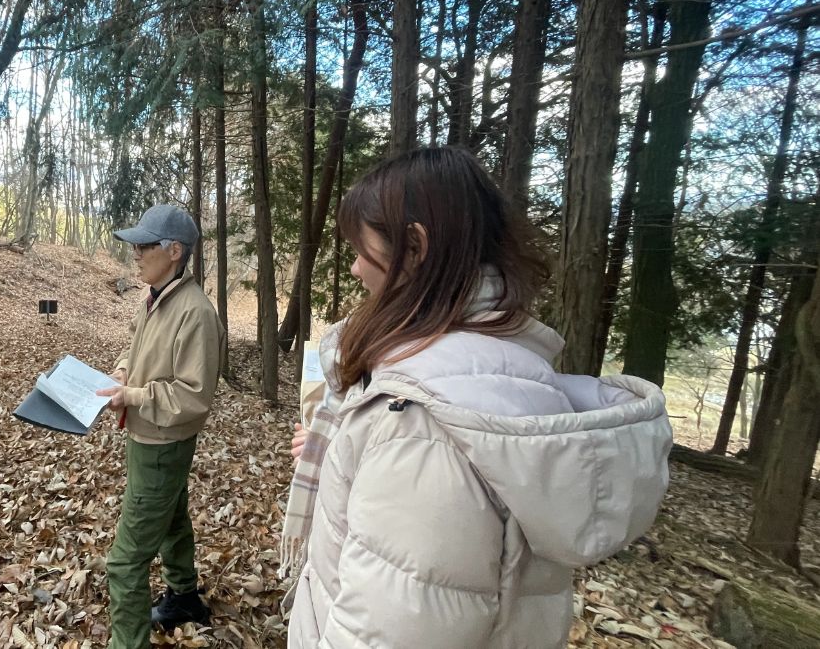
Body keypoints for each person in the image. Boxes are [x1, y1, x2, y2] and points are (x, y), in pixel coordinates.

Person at [282, 148, 673, 648]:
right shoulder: (511, 370)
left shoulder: (418, 421)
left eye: (363, 249)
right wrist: (344, 451)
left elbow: (391, 628)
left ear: (415, 247)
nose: (356, 268)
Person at [95, 204, 226, 648]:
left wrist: (133, 396)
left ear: (174, 251)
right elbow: (136, 353)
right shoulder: (154, 298)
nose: (135, 252)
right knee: (172, 519)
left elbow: (193, 396)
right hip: (148, 437)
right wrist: (120, 374)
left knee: (125, 562)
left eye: (144, 244)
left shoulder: (196, 313)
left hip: (163, 442)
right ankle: (185, 596)